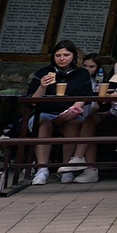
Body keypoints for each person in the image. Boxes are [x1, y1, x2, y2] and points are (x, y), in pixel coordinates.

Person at [28, 41, 98, 185]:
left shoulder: (81, 73)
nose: (62, 58)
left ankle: (66, 168)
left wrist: (71, 111)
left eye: (66, 55)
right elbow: (33, 102)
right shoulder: (44, 72)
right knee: (44, 123)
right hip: (44, 112)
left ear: (73, 56)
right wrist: (42, 86)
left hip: (68, 113)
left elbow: (84, 98)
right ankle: (42, 169)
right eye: (58, 55)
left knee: (74, 125)